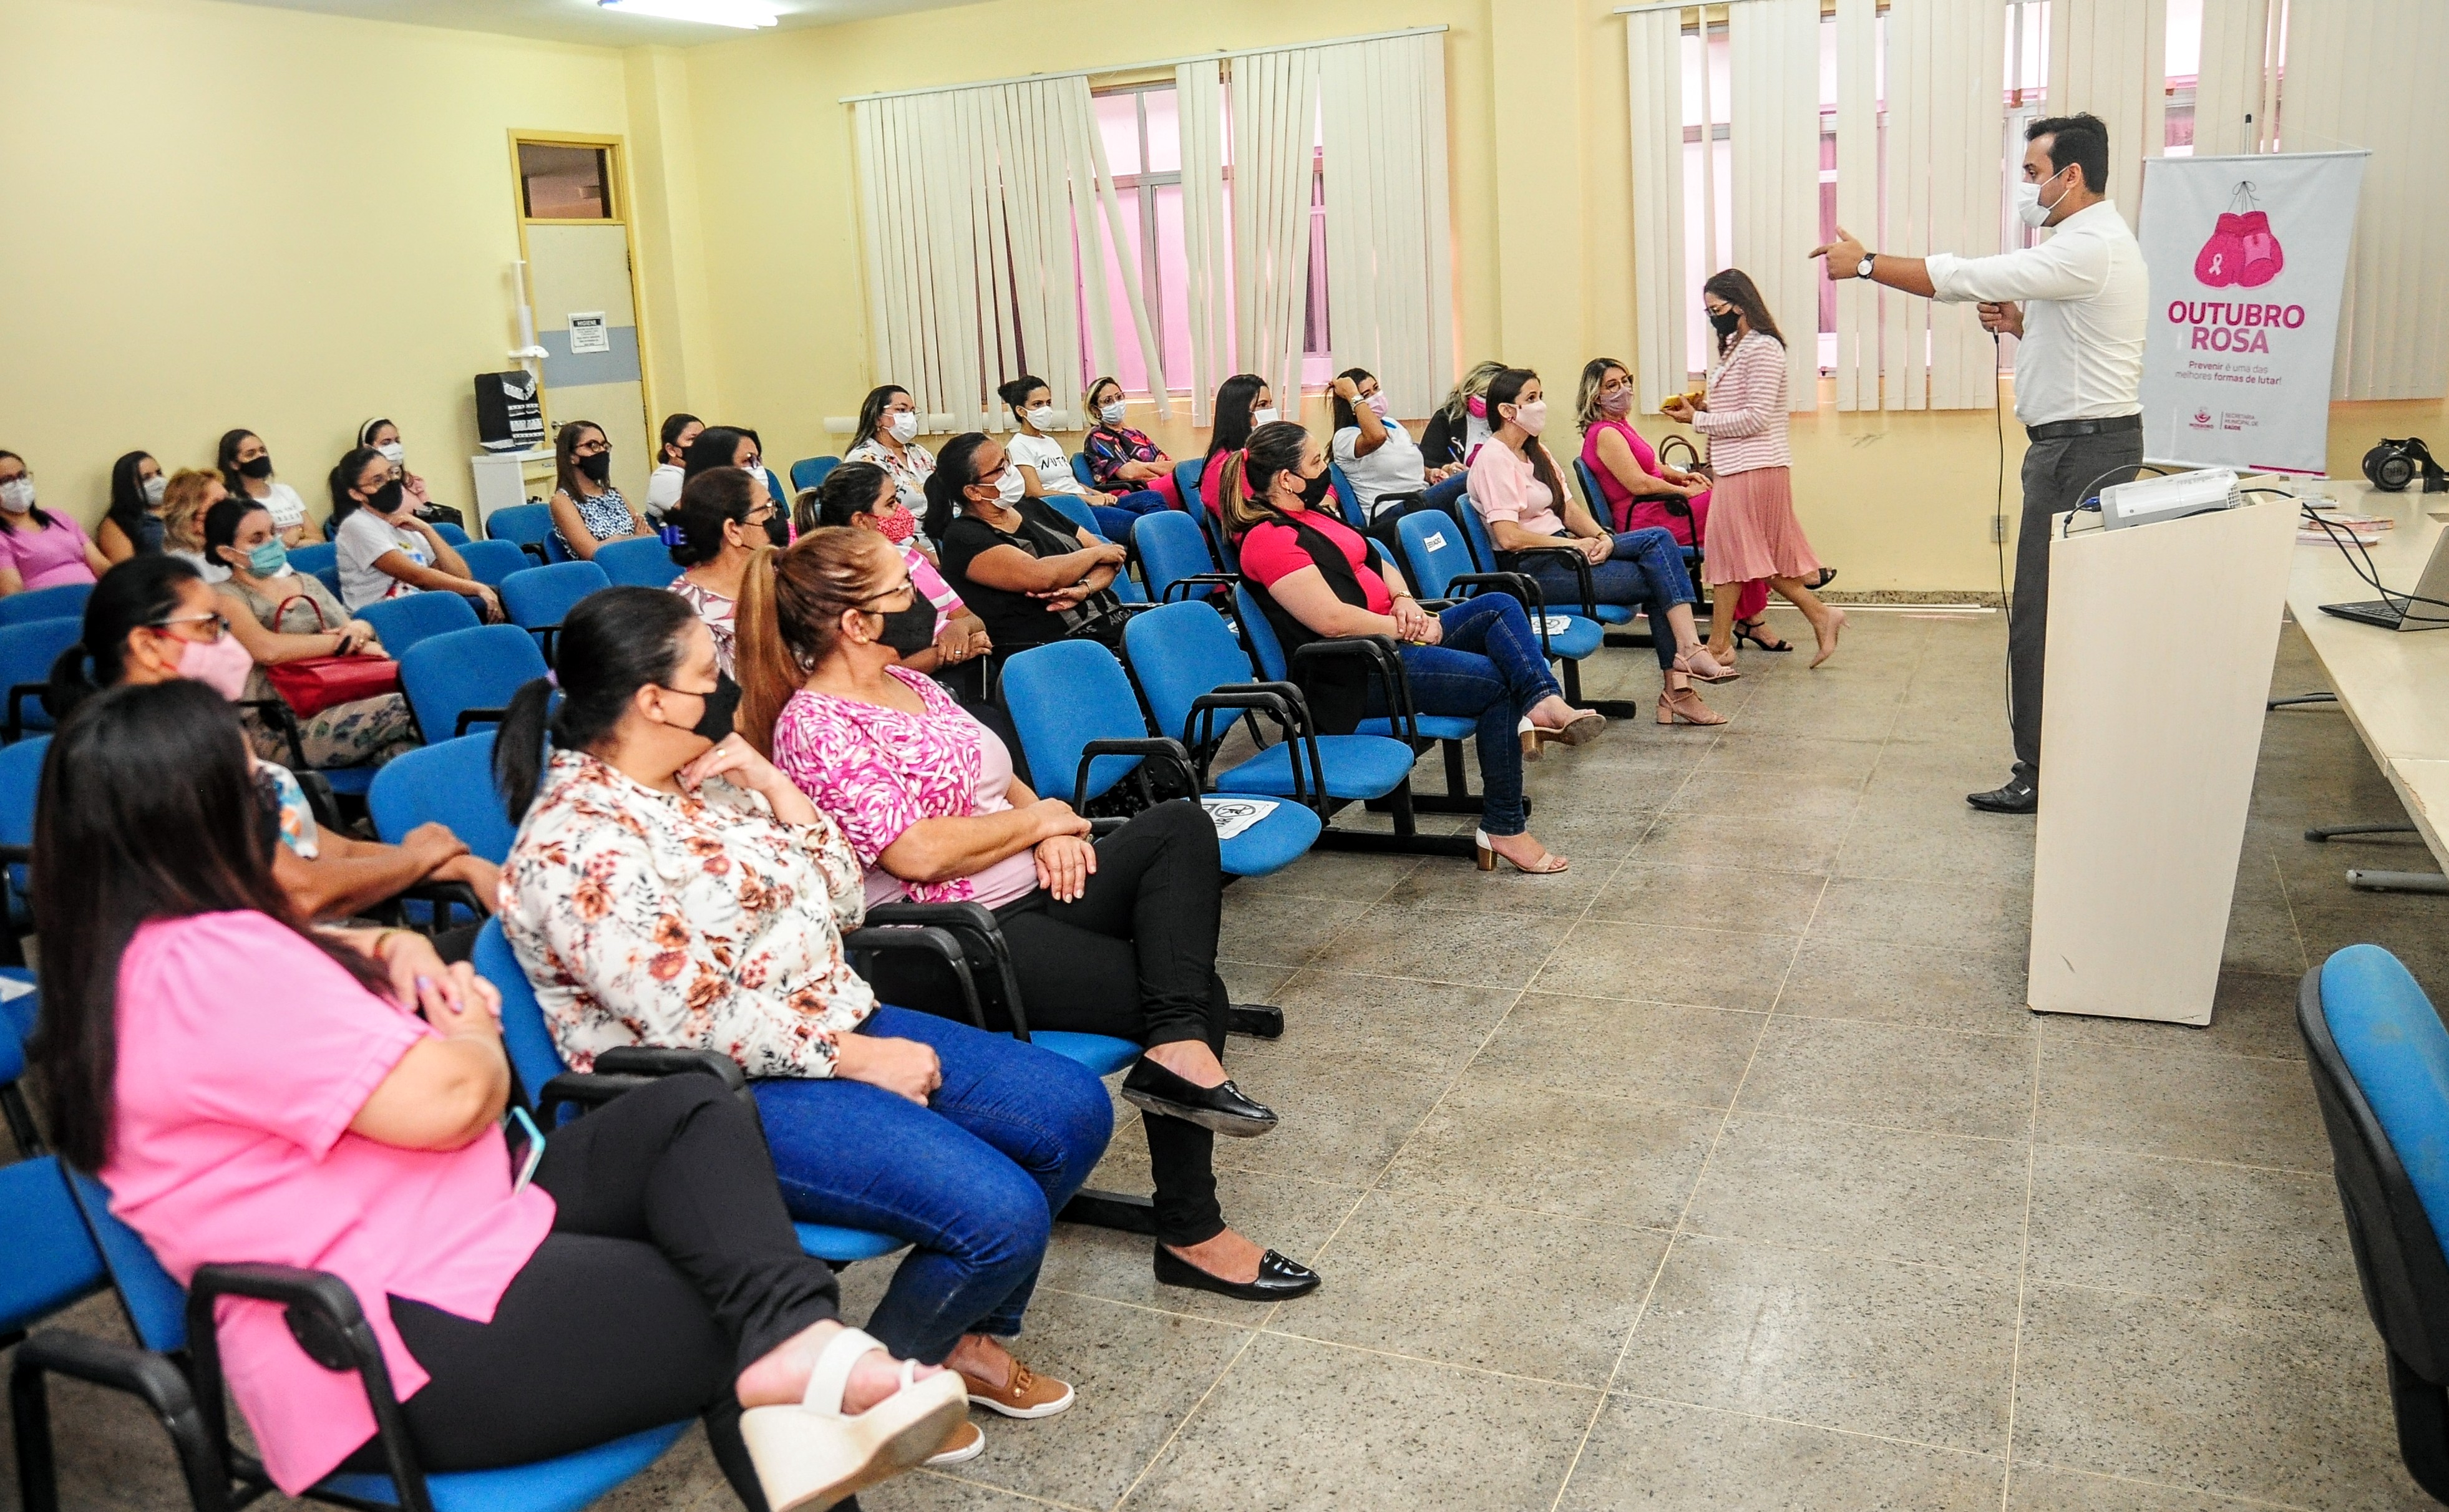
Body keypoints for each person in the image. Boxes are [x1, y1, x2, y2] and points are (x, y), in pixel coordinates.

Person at [24, 679, 966, 1512]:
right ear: (194, 814)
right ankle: (797, 1353)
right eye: (250, 781)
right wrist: (472, 1025)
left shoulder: (146, 950)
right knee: (731, 1305)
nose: (273, 796)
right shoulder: (204, 966)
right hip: (385, 1330)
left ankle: (797, 1344)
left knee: (688, 1108)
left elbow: (338, 969)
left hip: (456, 1228)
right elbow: (454, 1102)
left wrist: (393, 946)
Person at [495, 588, 1108, 1460]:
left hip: (827, 1017)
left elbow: (847, 897)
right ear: (654, 700)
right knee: (999, 1215)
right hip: (711, 1095)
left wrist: (773, 783)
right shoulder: (575, 842)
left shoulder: (704, 781)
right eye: (709, 675)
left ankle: (957, 1336)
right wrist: (851, 1056)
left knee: (1071, 1109)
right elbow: (685, 1016)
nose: (728, 689)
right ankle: (863, 1393)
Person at [736, 528, 1318, 1306]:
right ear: (857, 623)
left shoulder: (915, 685)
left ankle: (1177, 1050)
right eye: (902, 587)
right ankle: (1191, 1230)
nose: (924, 594)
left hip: (1032, 886)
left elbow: (1005, 782)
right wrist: (1036, 828)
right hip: (956, 937)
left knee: (1180, 825)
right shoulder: (819, 724)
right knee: (1194, 998)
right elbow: (916, 853)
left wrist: (1057, 825)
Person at [1812, 111, 2143, 815]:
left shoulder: (2086, 247)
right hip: (2082, 443)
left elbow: (1961, 276)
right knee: (2063, 615)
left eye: (2032, 174)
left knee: (2040, 616)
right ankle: (2070, 758)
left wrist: (1866, 265)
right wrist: (2023, 325)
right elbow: (2083, 343)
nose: (2028, 188)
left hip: (2080, 451)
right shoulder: (2098, 245)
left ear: (2070, 175)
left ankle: (2039, 771)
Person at [1226, 420, 1599, 873]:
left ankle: (1542, 701)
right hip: (1356, 673)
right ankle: (1504, 824)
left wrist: (1405, 603)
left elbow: (1379, 562)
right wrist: (1406, 630)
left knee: (1498, 604)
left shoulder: (1313, 515)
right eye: (1316, 462)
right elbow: (1332, 621)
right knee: (1499, 685)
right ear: (1287, 479)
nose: (1325, 469)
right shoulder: (1269, 540)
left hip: (1393, 638)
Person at [48, 556, 496, 927]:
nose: (229, 644)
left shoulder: (207, 735)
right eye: (209, 627)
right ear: (147, 646)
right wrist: (416, 861)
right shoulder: (145, 755)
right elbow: (299, 891)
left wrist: (452, 864)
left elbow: (329, 849)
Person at [1469, 368, 1732, 728]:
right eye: (1531, 399)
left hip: (1565, 551)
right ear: (1506, 411)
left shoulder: (1536, 451)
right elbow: (1509, 536)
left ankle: (1687, 658)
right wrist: (1574, 545)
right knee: (1660, 577)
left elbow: (1568, 508)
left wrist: (1601, 537)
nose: (1541, 405)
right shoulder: (1494, 459)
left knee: (1659, 540)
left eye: (1540, 395)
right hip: (1535, 568)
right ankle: (1680, 684)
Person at [1662, 271, 1846, 671]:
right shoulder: (1738, 346)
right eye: (1709, 311)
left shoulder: (1763, 348)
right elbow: (1739, 410)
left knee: (1735, 553)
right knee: (1745, 556)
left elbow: (1757, 418)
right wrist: (1703, 410)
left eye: (1718, 309)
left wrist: (1698, 420)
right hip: (1742, 465)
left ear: (1741, 304)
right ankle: (1815, 616)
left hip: (1756, 465)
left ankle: (1720, 644)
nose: (1714, 317)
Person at [203, 495, 418, 769]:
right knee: (413, 706)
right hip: (283, 724)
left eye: (273, 532)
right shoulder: (224, 596)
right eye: (257, 539)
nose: (272, 542)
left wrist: (361, 627)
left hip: (347, 697)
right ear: (227, 553)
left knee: (409, 753)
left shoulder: (307, 583)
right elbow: (268, 650)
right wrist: (339, 642)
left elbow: (359, 636)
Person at [1574, 359, 1773, 651]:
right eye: (1612, 386)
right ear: (1595, 396)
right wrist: (1684, 493)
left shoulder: (1619, 425)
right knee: (1734, 511)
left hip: (1658, 506)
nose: (1623, 390)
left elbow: (1651, 466)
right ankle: (1758, 613)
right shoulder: (1605, 433)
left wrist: (1683, 478)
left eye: (1625, 381)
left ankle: (1752, 618)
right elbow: (1639, 484)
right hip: (1644, 517)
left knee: (1738, 519)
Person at [925, 434, 1128, 656]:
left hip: (1116, 626)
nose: (1011, 471)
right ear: (974, 491)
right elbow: (1042, 577)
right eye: (999, 468)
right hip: (1057, 650)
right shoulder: (964, 536)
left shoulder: (1033, 507)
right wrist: (1096, 554)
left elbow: (1112, 560)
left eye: (1007, 460)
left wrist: (1084, 588)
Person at [811, 462, 990, 681]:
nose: (900, 510)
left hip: (960, 674)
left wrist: (960, 628)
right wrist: (951, 653)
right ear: (860, 521)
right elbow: (885, 670)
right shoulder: (847, 580)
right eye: (890, 504)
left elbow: (972, 619)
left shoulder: (908, 555)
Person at [330, 446, 502, 619]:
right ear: (356, 494)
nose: (390, 482)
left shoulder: (403, 522)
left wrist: (426, 530)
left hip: (419, 607)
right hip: (383, 617)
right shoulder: (355, 526)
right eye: (378, 480)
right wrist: (479, 588)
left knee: (504, 596)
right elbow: (417, 577)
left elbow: (462, 577)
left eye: (392, 473)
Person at [996, 376, 1166, 542]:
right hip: (1068, 510)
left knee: (1153, 498)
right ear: (1021, 411)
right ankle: (1164, 555)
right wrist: (1087, 498)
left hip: (1085, 501)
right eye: (1037, 404)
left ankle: (1161, 551)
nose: (1046, 409)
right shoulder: (1019, 446)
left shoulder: (1050, 442)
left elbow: (1069, 481)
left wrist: (1098, 494)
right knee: (1145, 526)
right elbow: (1035, 492)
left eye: (1048, 403)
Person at [666, 465, 782, 676]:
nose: (777, 517)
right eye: (767, 508)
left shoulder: (779, 577)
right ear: (733, 530)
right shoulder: (687, 616)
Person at [1328, 367, 1469, 528]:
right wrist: (1352, 393)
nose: (1376, 396)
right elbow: (1377, 437)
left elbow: (1403, 467)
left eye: (1376, 388)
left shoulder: (1393, 425)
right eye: (1366, 396)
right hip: (1390, 513)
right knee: (1471, 479)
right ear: (1352, 405)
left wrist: (1430, 474)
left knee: (1471, 493)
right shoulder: (1345, 438)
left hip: (1419, 498)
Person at [0, 450, 109, 594]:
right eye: (7, 480)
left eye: (22, 476)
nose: (18, 485)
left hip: (96, 601)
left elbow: (100, 564)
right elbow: (12, 594)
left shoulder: (57, 517)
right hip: (49, 611)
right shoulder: (2, 537)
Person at [545, 421, 649, 561]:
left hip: (638, 561)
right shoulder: (563, 501)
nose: (601, 451)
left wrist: (617, 540)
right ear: (571, 456)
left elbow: (652, 538)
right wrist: (634, 538)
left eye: (604, 446)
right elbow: (593, 552)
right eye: (593, 445)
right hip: (604, 574)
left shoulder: (615, 494)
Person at [1079, 377, 1182, 508]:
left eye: (1119, 397)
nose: (1116, 403)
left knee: (1187, 476)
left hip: (1153, 484)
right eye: (1108, 401)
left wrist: (1143, 465)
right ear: (1095, 410)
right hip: (1128, 493)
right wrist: (1157, 469)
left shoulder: (1135, 434)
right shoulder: (1098, 437)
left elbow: (1173, 467)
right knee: (1186, 483)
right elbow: (1130, 474)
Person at [844, 386, 935, 516]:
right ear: (877, 418)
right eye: (902, 410)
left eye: (912, 412)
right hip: (902, 534)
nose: (909, 418)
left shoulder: (920, 453)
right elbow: (875, 516)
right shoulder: (864, 459)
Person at [1197, 374, 1274, 520]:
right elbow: (1249, 517)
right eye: (1263, 405)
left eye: (1270, 404)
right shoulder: (1224, 466)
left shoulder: (1266, 452)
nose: (1270, 411)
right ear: (1239, 414)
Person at [217, 430, 311, 548]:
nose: (260, 456)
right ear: (234, 464)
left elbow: (318, 539)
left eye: (262, 450)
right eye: (251, 454)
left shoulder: (286, 491)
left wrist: (294, 539)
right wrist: (284, 543)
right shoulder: (232, 502)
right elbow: (246, 552)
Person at [1416, 360, 1507, 471]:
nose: (1484, 402)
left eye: (1490, 398)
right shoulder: (1446, 418)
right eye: (1481, 395)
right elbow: (1424, 461)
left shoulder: (1507, 423)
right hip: (1456, 485)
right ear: (1469, 391)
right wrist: (1446, 468)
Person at [158, 468, 231, 583]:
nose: (230, 508)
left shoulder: (225, 552)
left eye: (228, 500)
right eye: (217, 503)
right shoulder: (181, 569)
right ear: (189, 515)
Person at [99, 450, 168, 563]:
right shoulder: (117, 523)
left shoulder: (179, 506)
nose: (158, 481)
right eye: (146, 478)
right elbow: (127, 571)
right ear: (128, 486)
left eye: (159, 473)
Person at [647, 412, 704, 521]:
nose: (701, 444)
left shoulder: (701, 472)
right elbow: (695, 515)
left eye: (703, 438)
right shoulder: (664, 477)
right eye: (692, 439)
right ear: (671, 450)